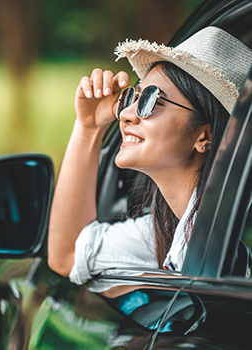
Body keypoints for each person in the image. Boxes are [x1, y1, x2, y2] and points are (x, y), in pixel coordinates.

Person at [47, 26, 252, 292]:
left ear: (206, 135)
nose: (125, 114)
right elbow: (68, 256)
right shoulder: (172, 228)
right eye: (133, 96)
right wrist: (88, 127)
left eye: (151, 100)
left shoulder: (221, 235)